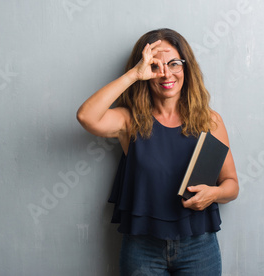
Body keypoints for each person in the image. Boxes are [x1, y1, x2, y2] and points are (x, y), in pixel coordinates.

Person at [76, 28, 239, 276]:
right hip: (143, 247)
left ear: (186, 67)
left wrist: (213, 194)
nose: (166, 73)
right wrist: (133, 74)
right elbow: (86, 116)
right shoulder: (130, 121)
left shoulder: (209, 120)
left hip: (198, 246)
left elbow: (232, 185)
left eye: (174, 63)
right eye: (155, 65)